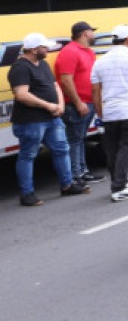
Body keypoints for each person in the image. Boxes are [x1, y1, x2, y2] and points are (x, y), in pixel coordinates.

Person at [9, 33, 90, 206]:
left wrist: (59, 104)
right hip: (31, 120)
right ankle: (27, 193)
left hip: (52, 117)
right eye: (44, 47)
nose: (47, 49)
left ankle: (67, 185)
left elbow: (55, 86)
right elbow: (22, 94)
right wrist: (48, 106)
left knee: (62, 149)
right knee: (28, 155)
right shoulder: (20, 67)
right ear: (33, 49)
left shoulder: (43, 64)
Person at [91, 25, 128, 202]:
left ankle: (119, 183)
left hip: (110, 112)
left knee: (113, 150)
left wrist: (100, 113)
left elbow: (96, 91)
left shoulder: (100, 61)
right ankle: (119, 187)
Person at [55, 21, 105, 185]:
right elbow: (66, 80)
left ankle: (83, 171)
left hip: (88, 102)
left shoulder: (88, 52)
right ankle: (76, 174)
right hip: (77, 105)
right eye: (92, 31)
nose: (94, 35)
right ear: (84, 33)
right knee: (74, 140)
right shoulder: (70, 52)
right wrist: (77, 103)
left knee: (80, 138)